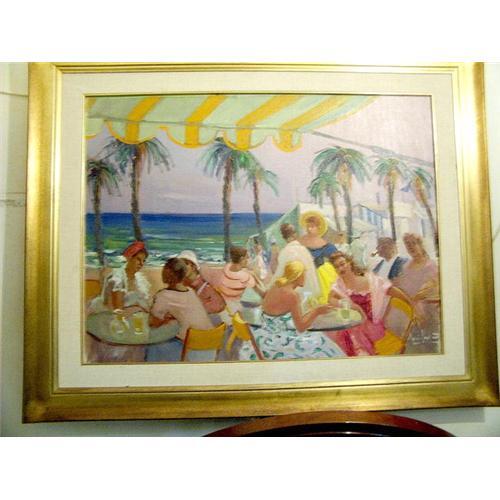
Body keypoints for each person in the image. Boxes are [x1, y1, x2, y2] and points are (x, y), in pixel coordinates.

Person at [238, 261, 336, 361]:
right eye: (303, 275)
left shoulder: (277, 285)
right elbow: (301, 327)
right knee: (320, 341)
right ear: (297, 276)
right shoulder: (292, 295)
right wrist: (317, 311)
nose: (305, 278)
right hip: (277, 339)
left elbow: (269, 301)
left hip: (265, 331)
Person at [328, 252, 411, 357]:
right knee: (345, 332)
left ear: (349, 263)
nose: (341, 268)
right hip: (353, 325)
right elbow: (330, 299)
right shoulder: (339, 285)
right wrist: (354, 306)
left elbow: (391, 290)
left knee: (352, 332)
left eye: (342, 264)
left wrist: (410, 302)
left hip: (372, 325)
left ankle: (363, 356)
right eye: (336, 267)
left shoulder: (370, 280)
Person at [86, 241, 151, 363]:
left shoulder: (140, 280)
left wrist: (138, 308)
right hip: (112, 320)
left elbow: (147, 307)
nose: (141, 264)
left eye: (144, 261)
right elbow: (118, 310)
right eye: (138, 259)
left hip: (131, 319)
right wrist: (138, 308)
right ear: (129, 258)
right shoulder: (117, 279)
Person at [146, 258, 215, 361]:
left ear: (166, 274)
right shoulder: (190, 291)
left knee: (153, 343)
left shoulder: (163, 295)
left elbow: (152, 322)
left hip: (191, 351)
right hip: (210, 347)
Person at [393, 233, 440, 353]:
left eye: (413, 243)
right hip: (408, 311)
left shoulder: (430, 265)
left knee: (428, 348)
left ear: (421, 245)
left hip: (426, 312)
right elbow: (400, 286)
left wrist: (414, 305)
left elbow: (426, 291)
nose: (410, 247)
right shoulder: (406, 266)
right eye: (407, 244)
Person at [201, 246, 265, 316]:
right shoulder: (246, 276)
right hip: (236, 309)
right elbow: (261, 293)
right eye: (247, 258)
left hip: (225, 307)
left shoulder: (226, 269)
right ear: (242, 259)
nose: (248, 260)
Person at [271, 223, 321, 301]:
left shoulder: (284, 252)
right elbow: (312, 274)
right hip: (309, 292)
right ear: (295, 234)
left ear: (283, 237)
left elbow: (280, 273)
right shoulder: (304, 250)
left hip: (295, 294)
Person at [298, 211, 338, 304]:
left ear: (319, 227)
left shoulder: (327, 246)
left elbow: (336, 260)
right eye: (307, 226)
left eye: (312, 227)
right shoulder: (300, 242)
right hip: (303, 276)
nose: (309, 229)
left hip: (320, 278)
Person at [177, 250, 226, 315]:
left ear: (193, 267)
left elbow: (219, 305)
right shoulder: (185, 283)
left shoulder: (205, 286)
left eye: (185, 264)